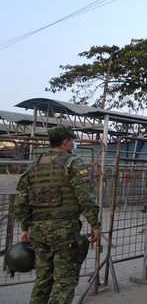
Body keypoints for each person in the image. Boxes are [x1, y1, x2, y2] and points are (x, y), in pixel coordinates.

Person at [14, 125, 101, 304]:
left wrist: (25, 228)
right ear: (66, 141)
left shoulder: (34, 166)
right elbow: (86, 198)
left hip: (38, 233)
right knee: (64, 282)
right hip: (65, 232)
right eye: (73, 140)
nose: (74, 144)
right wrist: (95, 225)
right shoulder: (73, 163)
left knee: (43, 280)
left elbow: (21, 202)